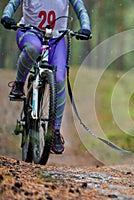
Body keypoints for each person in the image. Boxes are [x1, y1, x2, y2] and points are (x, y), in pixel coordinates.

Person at [1, 0, 92, 154]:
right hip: (30, 33)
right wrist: (6, 16)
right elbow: (12, 3)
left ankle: (55, 132)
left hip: (56, 39)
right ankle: (18, 83)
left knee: (59, 79)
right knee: (34, 48)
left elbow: (81, 9)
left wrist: (86, 27)